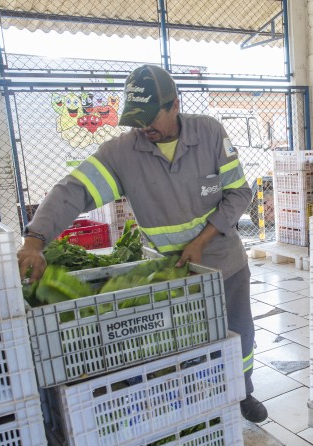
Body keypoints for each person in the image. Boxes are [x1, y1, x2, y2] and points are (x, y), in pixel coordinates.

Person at [17, 64, 267, 423]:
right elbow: (72, 191)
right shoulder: (121, 153)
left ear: (174, 105)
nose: (144, 126)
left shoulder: (210, 133)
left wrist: (202, 240)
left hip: (224, 261)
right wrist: (35, 240)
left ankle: (243, 391)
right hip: (172, 272)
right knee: (188, 341)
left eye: (150, 117)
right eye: (137, 119)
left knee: (238, 330)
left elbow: (239, 192)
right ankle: (203, 403)